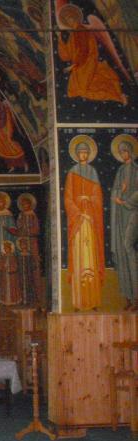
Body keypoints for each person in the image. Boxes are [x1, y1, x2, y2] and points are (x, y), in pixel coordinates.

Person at [56, 4, 128, 105]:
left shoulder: (80, 30)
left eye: (70, 18)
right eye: (66, 20)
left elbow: (83, 50)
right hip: (81, 66)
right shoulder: (73, 34)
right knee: (91, 85)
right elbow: (67, 55)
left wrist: (75, 64)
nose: (69, 21)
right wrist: (60, 41)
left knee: (81, 88)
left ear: (74, 17)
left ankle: (117, 96)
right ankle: (118, 95)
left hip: (86, 63)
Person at [64, 138, 104, 311]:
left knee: (91, 258)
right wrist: (77, 211)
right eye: (80, 152)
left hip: (90, 220)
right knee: (79, 258)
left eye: (86, 152)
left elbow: (98, 196)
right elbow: (67, 197)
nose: (83, 155)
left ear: (89, 154)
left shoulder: (93, 172)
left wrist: (90, 199)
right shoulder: (71, 173)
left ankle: (93, 301)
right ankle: (78, 302)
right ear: (76, 154)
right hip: (78, 222)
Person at [109, 136, 138, 310]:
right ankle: (128, 296)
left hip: (132, 213)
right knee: (121, 251)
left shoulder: (136, 170)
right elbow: (114, 192)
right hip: (120, 214)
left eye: (125, 151)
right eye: (121, 152)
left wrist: (125, 202)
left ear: (131, 152)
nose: (123, 154)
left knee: (128, 247)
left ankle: (136, 297)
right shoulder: (120, 171)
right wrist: (121, 192)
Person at [0, 91, 27, 173]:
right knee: (2, 148)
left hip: (4, 130)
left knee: (9, 145)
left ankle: (23, 163)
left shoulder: (1, 105)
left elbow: (3, 118)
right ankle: (11, 165)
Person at [0, 240, 21, 306]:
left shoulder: (13, 257)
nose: (6, 250)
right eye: (5, 249)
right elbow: (1, 265)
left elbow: (15, 266)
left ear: (10, 249)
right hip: (5, 275)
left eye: (8, 248)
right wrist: (3, 267)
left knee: (12, 287)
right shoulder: (3, 257)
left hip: (12, 275)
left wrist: (10, 268)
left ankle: (13, 301)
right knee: (5, 288)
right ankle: (6, 301)